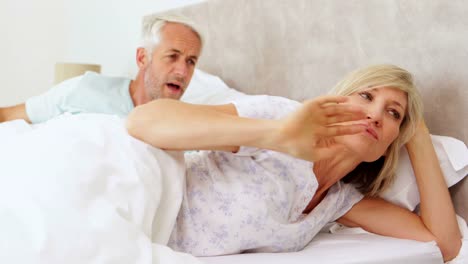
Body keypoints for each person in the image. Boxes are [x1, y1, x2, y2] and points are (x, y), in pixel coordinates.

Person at [126, 64, 462, 261]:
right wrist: (279, 135)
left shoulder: (339, 201)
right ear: (339, 99)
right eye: (366, 96)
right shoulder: (281, 116)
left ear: (392, 143)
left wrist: (417, 135)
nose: (375, 114)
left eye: (393, 114)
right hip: (134, 213)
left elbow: (444, 245)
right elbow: (145, 121)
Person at [0, 14, 202, 124]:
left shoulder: (186, 125)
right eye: (172, 57)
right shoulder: (86, 88)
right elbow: (8, 116)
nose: (182, 72)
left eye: (191, 61)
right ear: (142, 58)